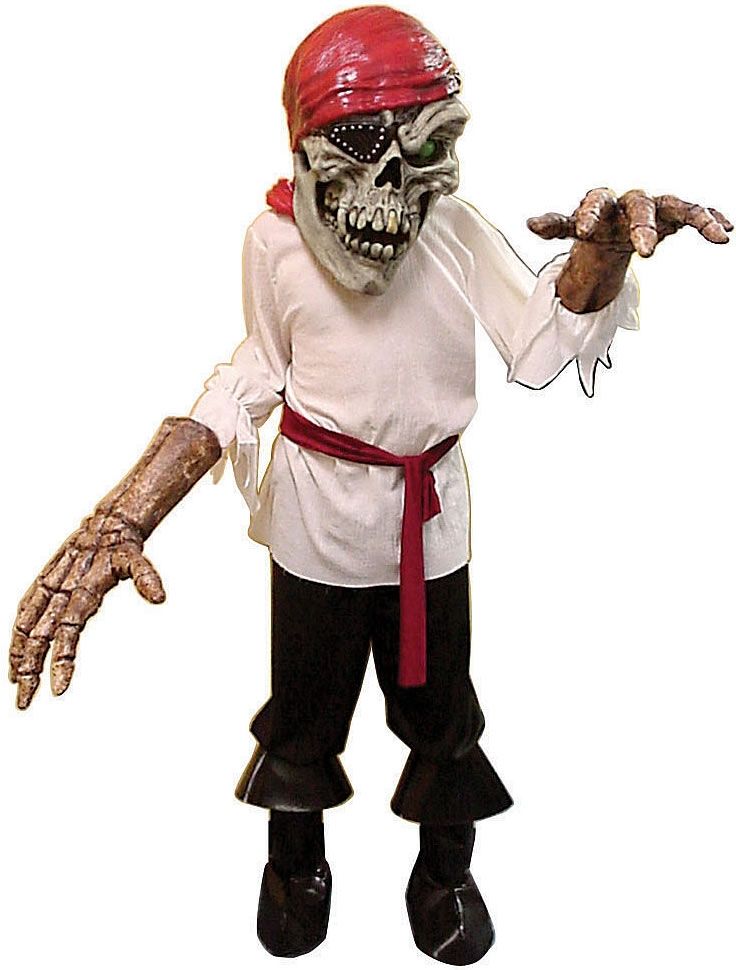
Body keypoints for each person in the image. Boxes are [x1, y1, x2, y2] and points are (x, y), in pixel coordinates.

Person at [9, 6, 730, 965]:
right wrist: (128, 509)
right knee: (303, 711)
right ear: (306, 148)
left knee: (442, 714)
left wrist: (596, 265)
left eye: (423, 146)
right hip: (314, 527)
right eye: (358, 144)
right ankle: (295, 866)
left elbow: (537, 345)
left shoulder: (455, 232)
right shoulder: (272, 245)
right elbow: (255, 372)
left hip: (430, 529)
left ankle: (444, 872)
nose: (391, 181)